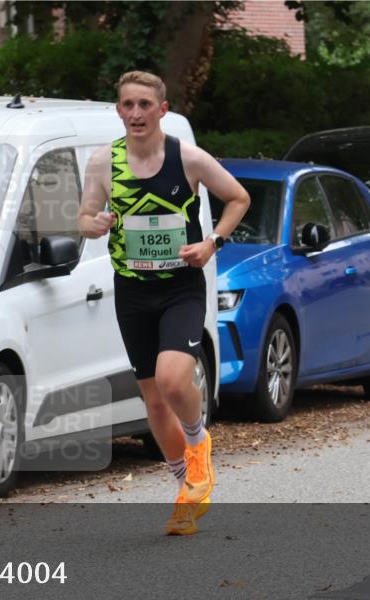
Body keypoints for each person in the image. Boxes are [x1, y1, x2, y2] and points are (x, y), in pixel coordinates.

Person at [78, 71, 250, 535]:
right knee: (152, 400)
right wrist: (92, 224)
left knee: (176, 381)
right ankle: (186, 491)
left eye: (144, 105)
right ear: (119, 110)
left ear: (162, 110)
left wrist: (212, 242)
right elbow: (84, 214)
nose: (136, 113)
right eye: (128, 105)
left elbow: (238, 197)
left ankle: (198, 444)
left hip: (181, 287)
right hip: (132, 290)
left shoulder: (188, 158)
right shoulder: (102, 163)